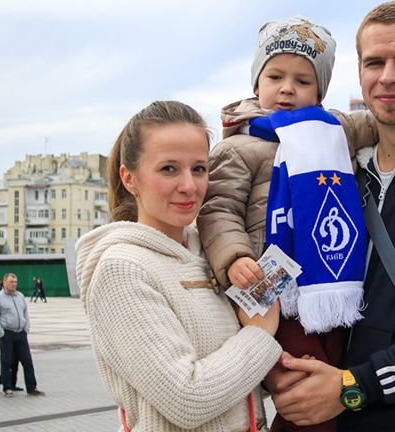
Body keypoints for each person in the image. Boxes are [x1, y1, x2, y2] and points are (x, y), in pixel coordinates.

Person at [197, 16, 377, 432]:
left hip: (335, 288)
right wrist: (234, 258)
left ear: (320, 91)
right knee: (301, 385)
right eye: (275, 75)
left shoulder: (333, 130)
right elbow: (218, 210)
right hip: (274, 296)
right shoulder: (240, 146)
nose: (287, 89)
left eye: (302, 80)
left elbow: (376, 122)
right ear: (256, 83)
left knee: (335, 378)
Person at [75, 100, 283, 431]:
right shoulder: (122, 269)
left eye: (199, 168)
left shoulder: (211, 253)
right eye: (169, 169)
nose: (189, 185)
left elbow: (238, 379)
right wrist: (259, 334)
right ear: (129, 179)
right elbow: (187, 399)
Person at [266, 3, 395, 432]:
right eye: (375, 62)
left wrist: (352, 386)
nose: (388, 77)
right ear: (359, 73)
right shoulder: (339, 171)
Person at [0, 273, 45, 398]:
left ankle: (32, 387)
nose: (14, 284)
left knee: (27, 361)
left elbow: (25, 313)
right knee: (7, 361)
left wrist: (26, 328)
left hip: (21, 333)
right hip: (7, 333)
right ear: (4, 282)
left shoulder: (20, 296)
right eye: (11, 282)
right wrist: (1, 333)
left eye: (15, 282)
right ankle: (7, 387)